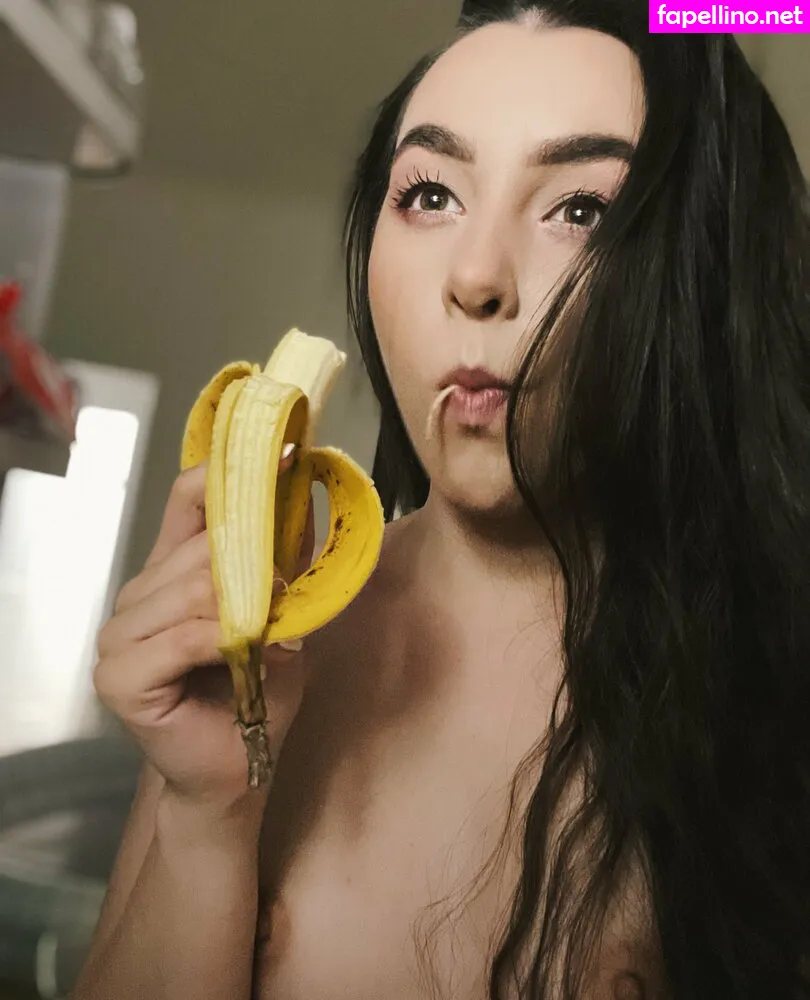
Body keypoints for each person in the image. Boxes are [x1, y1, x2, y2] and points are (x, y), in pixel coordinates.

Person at [72, 0, 810, 998]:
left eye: (580, 210)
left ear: (709, 270)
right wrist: (207, 815)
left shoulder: (773, 686)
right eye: (429, 194)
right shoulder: (269, 650)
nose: (475, 277)